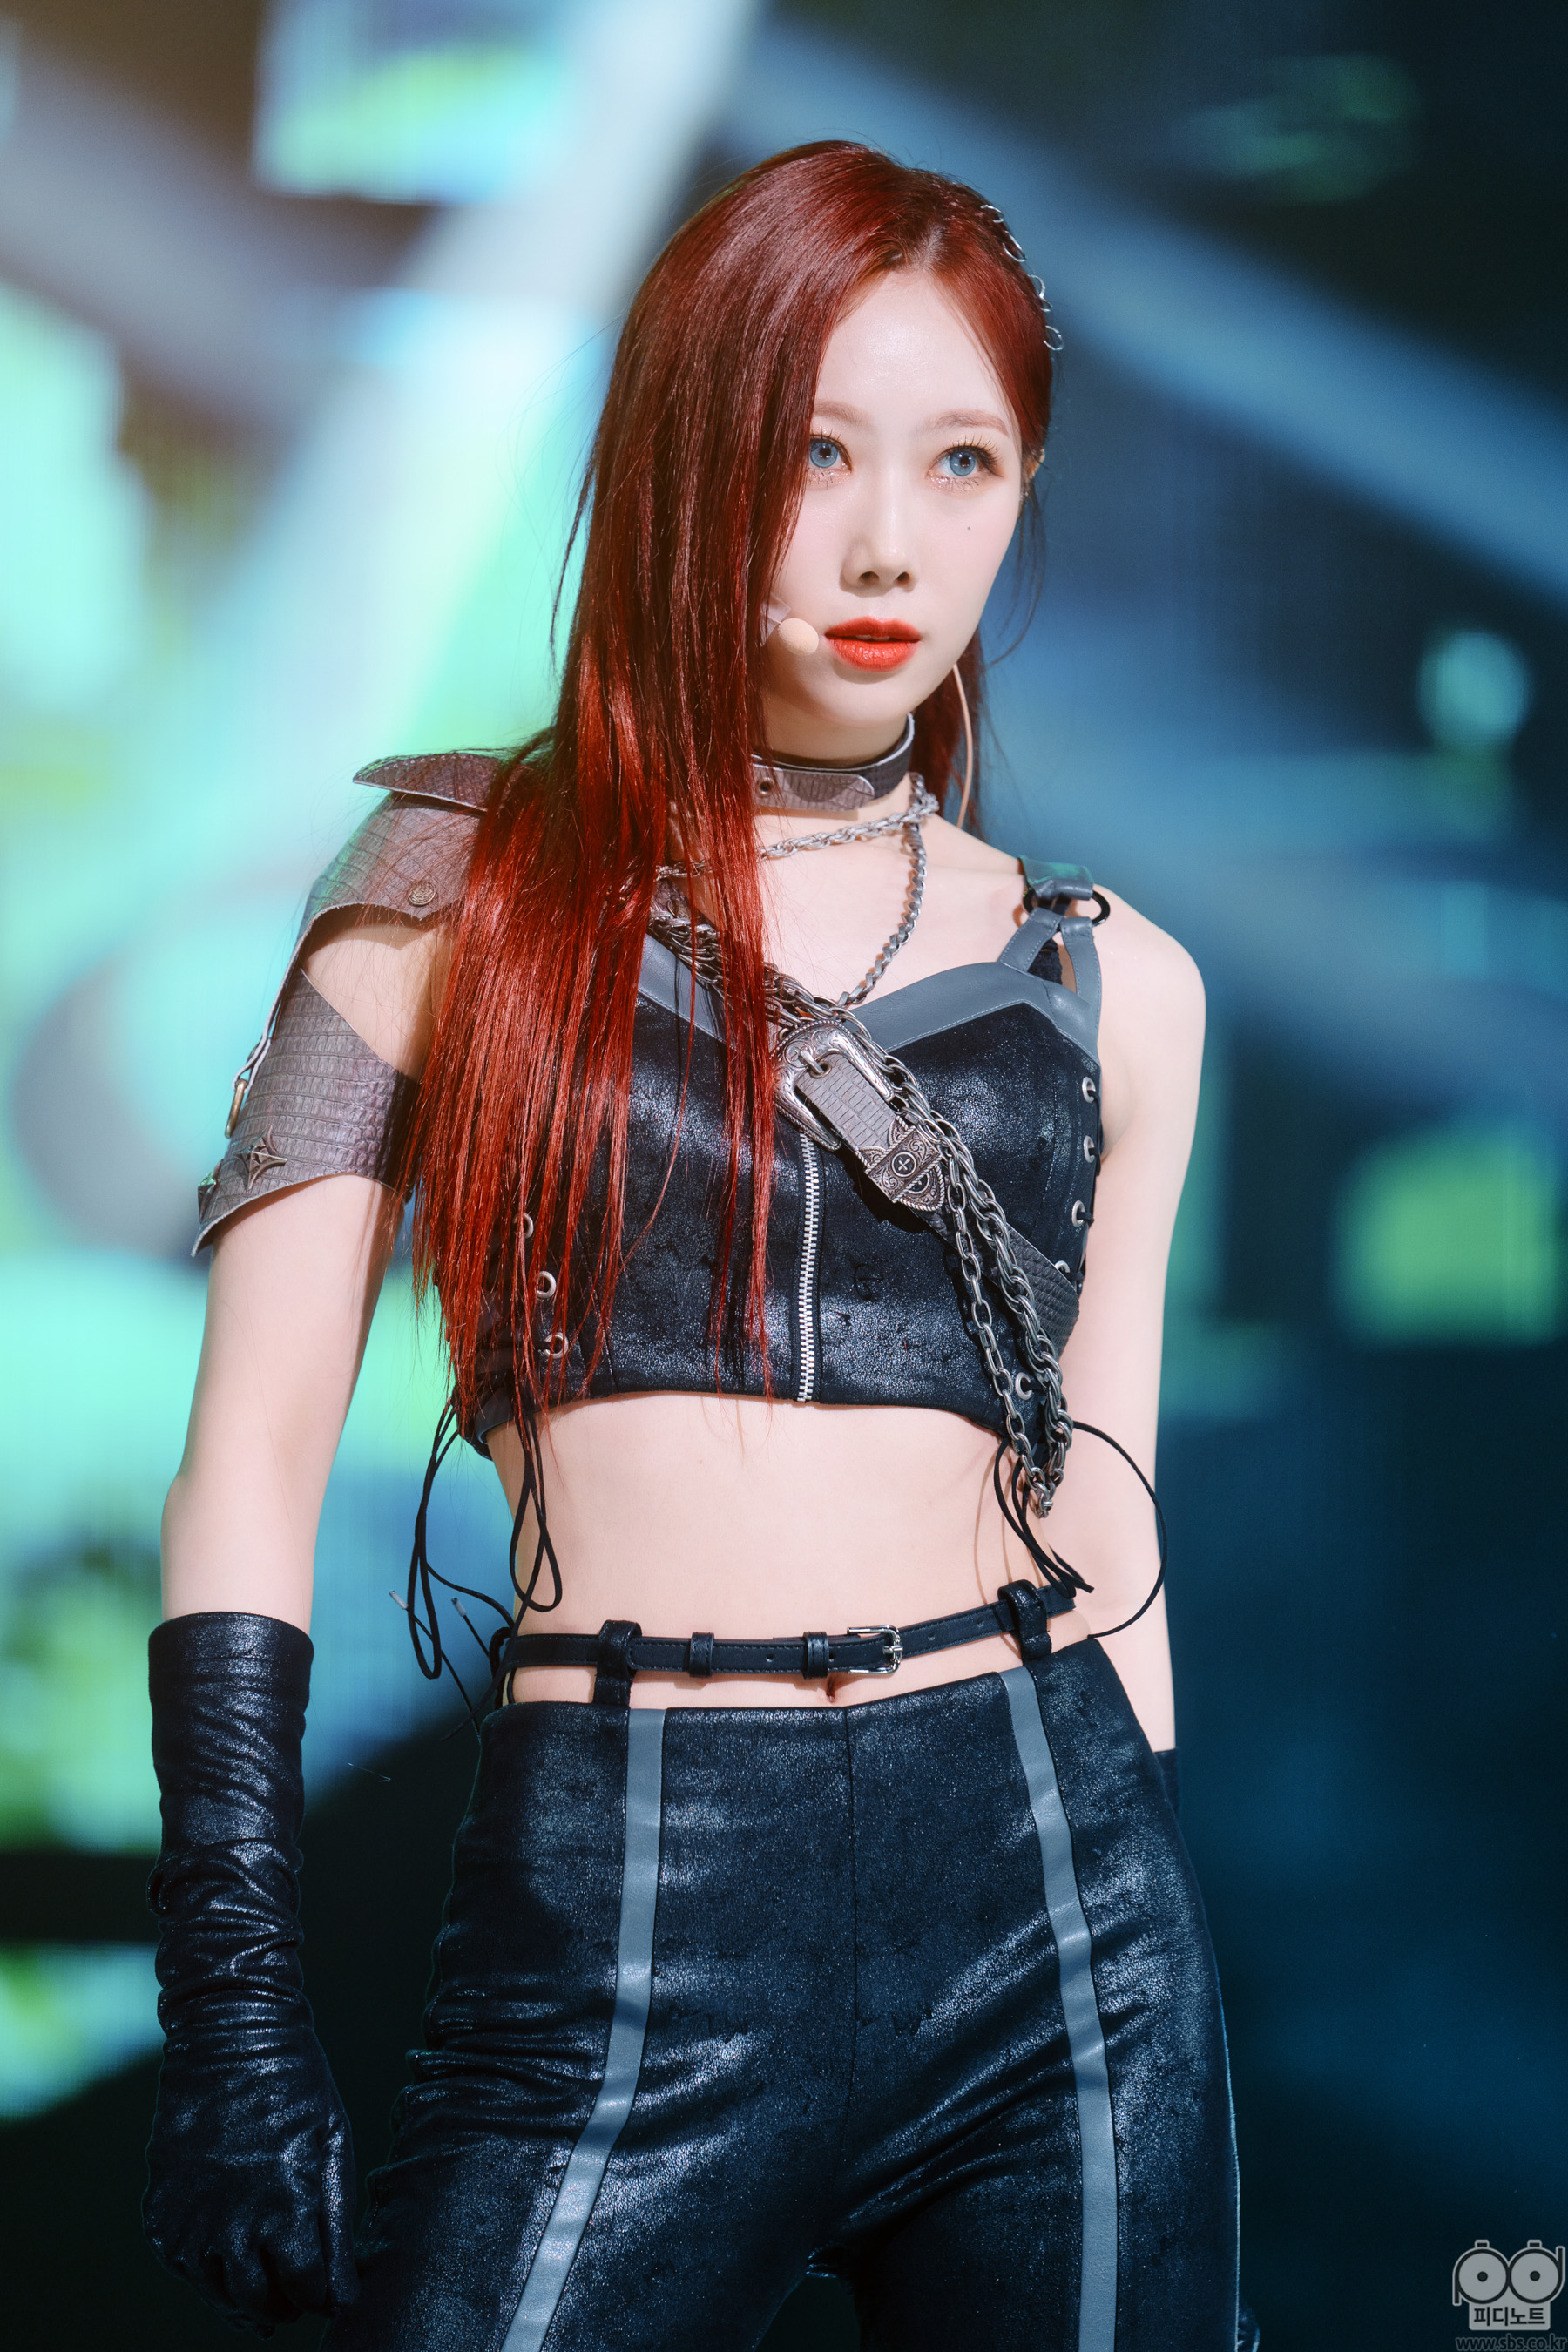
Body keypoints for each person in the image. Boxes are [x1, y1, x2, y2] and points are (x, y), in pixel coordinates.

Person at [144, 143, 1257, 2351]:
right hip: (629, 1896)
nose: (886, 541)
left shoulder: (1120, 982)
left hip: (1055, 1910)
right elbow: (247, 1466)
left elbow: (1110, 1506)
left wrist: (1146, 1872)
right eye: (813, 450)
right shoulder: (447, 900)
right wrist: (235, 2011)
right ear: (684, 453)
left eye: (961, 461)